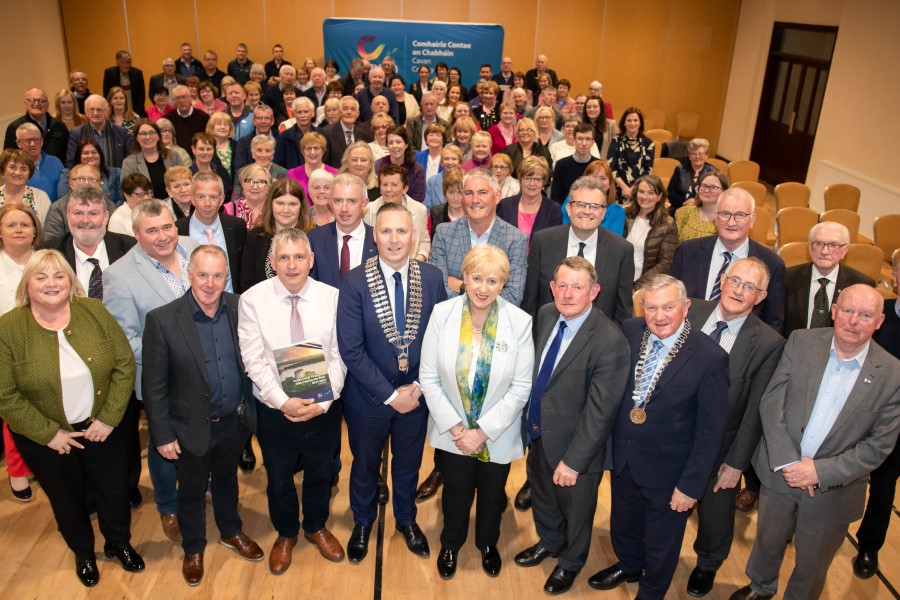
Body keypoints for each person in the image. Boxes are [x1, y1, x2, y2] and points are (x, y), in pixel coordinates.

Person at [731, 284, 900, 600]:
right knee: (767, 541)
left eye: (865, 315)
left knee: (813, 560)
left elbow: (878, 445)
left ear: (879, 321)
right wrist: (786, 460)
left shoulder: (893, 374)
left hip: (833, 490)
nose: (853, 321)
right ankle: (760, 587)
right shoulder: (801, 341)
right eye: (847, 311)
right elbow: (772, 400)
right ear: (834, 311)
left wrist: (819, 471)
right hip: (780, 473)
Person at [0, 249, 143, 587]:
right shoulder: (8, 328)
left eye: (58, 275)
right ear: (27, 284)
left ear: (70, 280)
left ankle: (118, 542)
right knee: (66, 499)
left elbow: (124, 364)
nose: (52, 283)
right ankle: (83, 552)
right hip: (48, 438)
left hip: (102, 428)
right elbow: (5, 394)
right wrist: (49, 434)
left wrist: (108, 419)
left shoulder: (93, 311)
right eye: (41, 277)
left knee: (114, 491)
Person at [588, 275, 729, 600]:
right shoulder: (630, 330)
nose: (659, 316)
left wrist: (691, 486)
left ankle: (651, 591)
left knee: (661, 541)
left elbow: (711, 432)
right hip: (625, 459)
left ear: (686, 307)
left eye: (668, 307)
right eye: (651, 307)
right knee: (623, 525)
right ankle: (629, 565)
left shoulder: (710, 358)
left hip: (670, 473)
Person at [143, 245, 263, 586]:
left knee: (227, 482)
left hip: (233, 422)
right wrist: (162, 435)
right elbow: (153, 386)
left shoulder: (241, 308)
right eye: (202, 275)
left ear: (226, 277)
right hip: (188, 428)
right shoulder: (163, 320)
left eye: (218, 275)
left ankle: (231, 531)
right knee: (192, 491)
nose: (210, 283)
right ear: (189, 275)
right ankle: (194, 548)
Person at [337, 202, 447, 563]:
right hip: (368, 398)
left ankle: (406, 519)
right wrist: (388, 395)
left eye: (402, 231)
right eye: (386, 231)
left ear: (413, 235)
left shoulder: (431, 278)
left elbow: (438, 338)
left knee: (408, 464)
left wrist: (416, 388)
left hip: (416, 397)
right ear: (375, 236)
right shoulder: (353, 281)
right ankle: (363, 522)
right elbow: (351, 350)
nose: (394, 239)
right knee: (366, 464)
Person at [514, 256, 630, 594]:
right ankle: (549, 542)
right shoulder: (547, 315)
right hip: (539, 436)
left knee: (577, 513)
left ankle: (570, 562)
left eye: (577, 287)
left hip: (577, 450)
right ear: (552, 288)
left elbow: (601, 412)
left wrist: (574, 461)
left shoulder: (610, 340)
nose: (567, 294)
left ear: (593, 291)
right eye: (561, 286)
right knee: (544, 499)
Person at [238, 228, 348, 574]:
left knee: (320, 473)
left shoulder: (333, 297)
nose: (291, 264)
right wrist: (283, 401)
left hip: (323, 407)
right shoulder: (252, 300)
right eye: (283, 257)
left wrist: (324, 402)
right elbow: (253, 360)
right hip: (274, 411)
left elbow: (340, 356)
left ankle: (315, 525)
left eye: (299, 256)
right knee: (279, 477)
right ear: (272, 262)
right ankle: (286, 533)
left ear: (311, 260)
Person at [420, 245, 533, 580]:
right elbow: (428, 376)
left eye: (493, 280)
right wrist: (458, 430)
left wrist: (481, 432)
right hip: (452, 430)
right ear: (464, 278)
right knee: (455, 493)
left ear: (503, 284)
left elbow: (520, 386)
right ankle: (451, 545)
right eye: (477, 278)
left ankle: (488, 544)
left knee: (491, 495)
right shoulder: (442, 314)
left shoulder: (519, 322)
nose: (483, 288)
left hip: (496, 432)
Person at [683, 258, 786, 597]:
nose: (739, 290)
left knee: (714, 516)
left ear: (761, 296)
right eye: (735, 281)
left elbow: (756, 409)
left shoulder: (769, 343)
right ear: (722, 280)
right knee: (662, 503)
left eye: (749, 287)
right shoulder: (689, 311)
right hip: (673, 435)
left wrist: (737, 462)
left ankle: (707, 564)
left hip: (722, 448)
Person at [103, 199, 200, 543]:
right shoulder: (118, 275)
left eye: (168, 227)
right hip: (163, 379)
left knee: (203, 437)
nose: (163, 237)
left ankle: (198, 490)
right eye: (152, 230)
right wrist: (176, 354)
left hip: (207, 371)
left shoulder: (194, 249)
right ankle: (168, 506)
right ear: (135, 234)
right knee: (165, 446)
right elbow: (124, 340)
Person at [670, 187, 786, 333]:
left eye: (740, 215)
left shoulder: (772, 265)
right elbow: (671, 300)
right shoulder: (687, 251)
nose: (731, 222)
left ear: (752, 220)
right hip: (685, 337)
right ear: (716, 217)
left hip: (739, 349)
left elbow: (772, 324)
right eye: (725, 214)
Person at [523, 176, 634, 325]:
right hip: (548, 335)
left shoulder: (622, 250)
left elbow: (622, 312)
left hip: (598, 341)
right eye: (580, 204)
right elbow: (530, 301)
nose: (587, 211)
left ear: (603, 213)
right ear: (569, 209)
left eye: (595, 206)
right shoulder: (543, 241)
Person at [852, 257, 900, 580]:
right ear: (895, 276)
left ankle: (869, 545)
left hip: (897, 425)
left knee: (883, 488)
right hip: (858, 412)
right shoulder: (876, 312)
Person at [430, 168, 528, 304]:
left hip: (496, 322)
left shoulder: (515, 239)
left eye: (482, 192)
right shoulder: (444, 233)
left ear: (498, 195)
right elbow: (435, 288)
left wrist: (461, 286)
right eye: (469, 193)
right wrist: (487, 294)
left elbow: (513, 295)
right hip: (452, 320)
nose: (475, 200)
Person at [0, 204, 43, 501]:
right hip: (7, 347)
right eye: (11, 225)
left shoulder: (45, 261)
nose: (18, 230)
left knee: (45, 408)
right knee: (15, 412)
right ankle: (17, 471)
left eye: (24, 225)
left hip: (47, 341)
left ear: (35, 231)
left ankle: (41, 462)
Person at [38, 186, 136, 297]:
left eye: (93, 213)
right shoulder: (47, 252)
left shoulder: (130, 249)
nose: (85, 220)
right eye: (78, 213)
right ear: (68, 216)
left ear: (105, 217)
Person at [784, 221, 874, 336]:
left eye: (833, 245)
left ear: (845, 250)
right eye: (819, 243)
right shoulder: (787, 278)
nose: (824, 251)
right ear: (810, 247)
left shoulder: (861, 284)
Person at [175, 172, 247, 293]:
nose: (207, 204)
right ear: (192, 198)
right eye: (201, 197)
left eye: (213, 197)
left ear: (221, 199)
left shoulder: (236, 226)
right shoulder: (178, 230)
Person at [240, 178, 314, 292]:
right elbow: (247, 283)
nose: (286, 209)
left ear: (301, 207)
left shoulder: (315, 237)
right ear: (271, 204)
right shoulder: (255, 237)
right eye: (280, 203)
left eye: (293, 204)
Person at [365, 163, 430, 261]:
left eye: (394, 185)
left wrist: (418, 260)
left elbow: (424, 242)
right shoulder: (368, 210)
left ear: (405, 188)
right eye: (384, 185)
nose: (388, 189)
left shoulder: (419, 210)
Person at [624, 174, 678, 290]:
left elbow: (665, 263)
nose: (645, 196)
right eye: (641, 191)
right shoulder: (625, 215)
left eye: (651, 193)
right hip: (618, 279)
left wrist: (637, 286)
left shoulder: (667, 224)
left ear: (659, 197)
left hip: (643, 286)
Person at [497, 155, 562, 242]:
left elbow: (554, 243)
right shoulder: (504, 206)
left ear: (543, 182)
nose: (532, 183)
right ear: (520, 180)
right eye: (528, 178)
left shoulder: (553, 209)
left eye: (537, 179)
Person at [121, 119, 185, 200]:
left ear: (158, 136)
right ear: (137, 138)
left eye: (151, 132)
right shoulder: (129, 163)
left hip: (174, 206)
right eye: (143, 133)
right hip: (144, 208)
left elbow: (185, 181)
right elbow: (127, 193)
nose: (148, 137)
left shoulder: (173, 156)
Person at [5, 88, 70, 164]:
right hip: (29, 173)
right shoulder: (15, 127)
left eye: (41, 101)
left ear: (47, 105)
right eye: (32, 100)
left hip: (57, 172)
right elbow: (8, 159)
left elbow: (69, 153)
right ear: (25, 103)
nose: (36, 104)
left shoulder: (59, 125)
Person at [66, 94, 132, 169]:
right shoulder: (77, 133)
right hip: (87, 178)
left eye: (99, 109)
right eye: (92, 109)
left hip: (116, 178)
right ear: (86, 112)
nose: (95, 113)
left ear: (106, 111)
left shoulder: (121, 132)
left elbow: (129, 159)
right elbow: (70, 163)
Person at [608, 107, 654, 202]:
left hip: (640, 191)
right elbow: (611, 168)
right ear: (624, 123)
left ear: (640, 122)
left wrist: (634, 189)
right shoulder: (616, 141)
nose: (632, 123)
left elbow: (647, 170)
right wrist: (624, 187)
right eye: (629, 120)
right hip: (618, 189)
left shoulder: (649, 144)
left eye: (635, 120)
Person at [550, 123, 599, 203]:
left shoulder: (599, 165)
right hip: (566, 212)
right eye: (580, 139)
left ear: (593, 142)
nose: (584, 143)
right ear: (574, 141)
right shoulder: (561, 165)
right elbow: (555, 197)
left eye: (587, 139)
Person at [374, 126, 426, 203]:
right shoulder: (379, 165)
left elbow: (418, 198)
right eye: (391, 143)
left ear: (406, 144)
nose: (394, 146)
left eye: (398, 142)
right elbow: (376, 194)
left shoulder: (417, 169)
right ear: (387, 146)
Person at [15, 122, 65, 203]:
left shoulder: (55, 161)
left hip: (56, 213)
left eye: (35, 140)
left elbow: (65, 192)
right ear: (18, 143)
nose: (32, 144)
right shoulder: (14, 169)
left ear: (41, 142)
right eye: (27, 140)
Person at [0, 149, 51, 224]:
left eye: (23, 169)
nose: (18, 172)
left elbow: (48, 230)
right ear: (3, 170)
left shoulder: (41, 197)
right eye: (13, 167)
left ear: (29, 174)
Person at [676, 170, 729, 243]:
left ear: (724, 191)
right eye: (704, 186)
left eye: (713, 187)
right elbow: (674, 240)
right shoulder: (688, 211)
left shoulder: (727, 219)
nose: (706, 190)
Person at [323, 96, 374, 169]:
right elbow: (325, 162)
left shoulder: (364, 134)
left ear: (357, 114)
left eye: (353, 109)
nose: (349, 112)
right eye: (345, 109)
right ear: (340, 112)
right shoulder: (327, 132)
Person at [668, 138, 716, 213]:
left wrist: (698, 203)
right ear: (689, 156)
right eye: (694, 153)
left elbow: (717, 194)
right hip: (680, 209)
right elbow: (670, 192)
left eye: (700, 154)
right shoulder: (680, 170)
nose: (697, 156)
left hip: (704, 211)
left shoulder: (713, 172)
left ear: (706, 156)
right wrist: (684, 202)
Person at [287, 132, 337, 199]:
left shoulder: (335, 173)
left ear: (323, 151)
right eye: (308, 148)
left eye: (316, 148)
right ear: (303, 151)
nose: (312, 152)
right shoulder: (292, 174)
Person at [167, 86, 210, 158]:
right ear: (173, 101)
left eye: (184, 97)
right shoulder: (168, 119)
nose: (181, 100)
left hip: (199, 158)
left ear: (190, 98)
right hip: (175, 158)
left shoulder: (204, 118)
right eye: (178, 98)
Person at [226, 163, 271, 229]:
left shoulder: (275, 209)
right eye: (250, 181)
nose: (255, 187)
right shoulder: (231, 209)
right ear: (242, 185)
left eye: (261, 182)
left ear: (268, 187)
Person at [102, 51, 146, 117]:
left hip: (134, 107)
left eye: (128, 62)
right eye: (123, 62)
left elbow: (141, 96)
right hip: (116, 110)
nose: (126, 65)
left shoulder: (137, 73)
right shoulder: (110, 73)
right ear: (117, 62)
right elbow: (107, 94)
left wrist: (137, 114)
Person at [239, 104, 280, 172]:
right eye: (260, 118)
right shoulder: (244, 142)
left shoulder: (281, 139)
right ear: (254, 121)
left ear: (272, 121)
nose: (263, 122)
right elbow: (240, 169)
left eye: (267, 118)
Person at [423, 145, 464, 210]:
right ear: (442, 162)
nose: (450, 162)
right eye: (446, 159)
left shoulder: (466, 180)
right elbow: (427, 209)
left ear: (460, 163)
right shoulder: (432, 181)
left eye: (454, 159)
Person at [582, 95, 617, 159]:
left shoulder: (611, 125)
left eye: (595, 107)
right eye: (588, 107)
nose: (592, 109)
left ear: (601, 108)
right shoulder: (580, 125)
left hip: (604, 163)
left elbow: (615, 148)